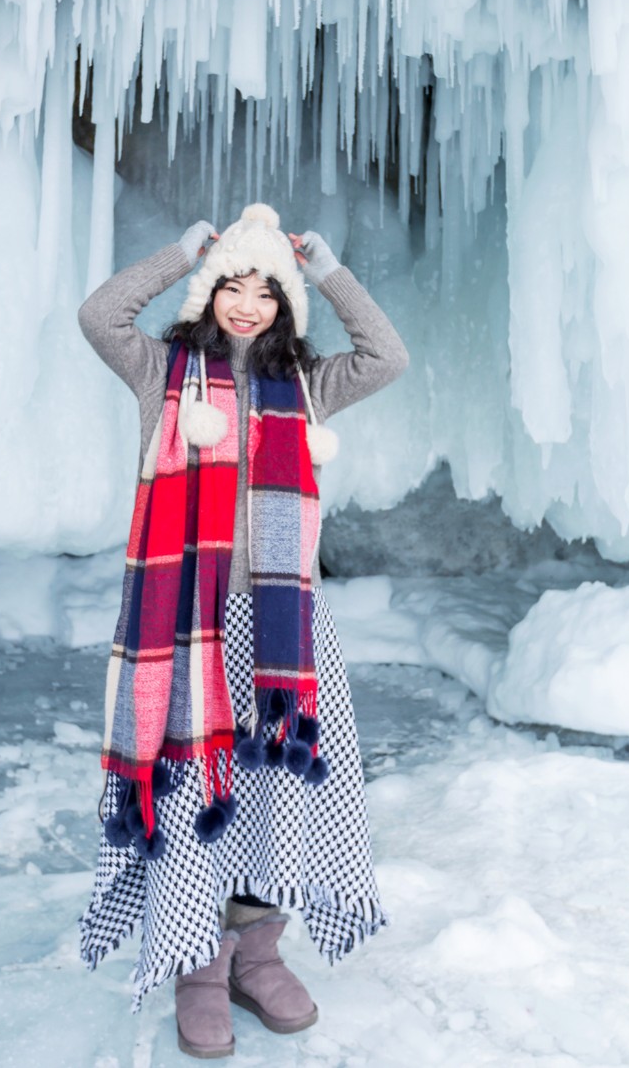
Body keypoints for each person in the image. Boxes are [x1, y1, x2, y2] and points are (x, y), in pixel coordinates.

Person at [74, 203, 409, 1058]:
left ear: (286, 304)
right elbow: (99, 315)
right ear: (210, 292)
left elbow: (388, 356)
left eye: (268, 289)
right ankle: (198, 961)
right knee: (196, 796)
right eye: (233, 283)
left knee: (273, 792)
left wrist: (329, 271)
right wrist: (182, 252)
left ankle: (256, 951)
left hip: (285, 633)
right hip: (185, 628)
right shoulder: (162, 373)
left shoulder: (307, 385)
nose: (249, 302)